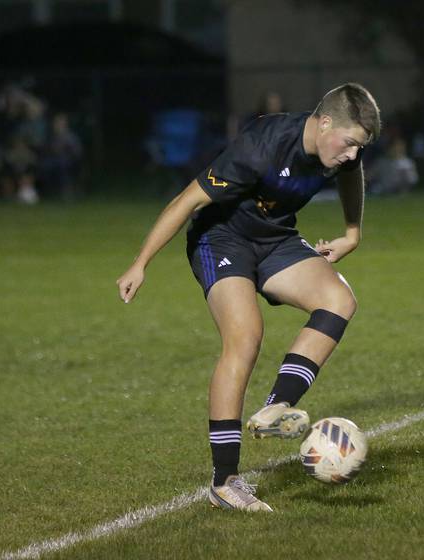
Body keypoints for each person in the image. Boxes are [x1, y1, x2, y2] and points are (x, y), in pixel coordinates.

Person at [116, 83, 380, 512]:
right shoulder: (262, 147)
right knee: (244, 337)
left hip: (275, 239)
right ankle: (225, 481)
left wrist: (352, 233)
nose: (352, 154)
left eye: (360, 147)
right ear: (325, 122)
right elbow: (187, 201)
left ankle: (278, 408)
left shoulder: (342, 151)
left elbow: (352, 174)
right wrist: (140, 262)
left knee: (339, 298)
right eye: (350, 143)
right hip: (220, 239)